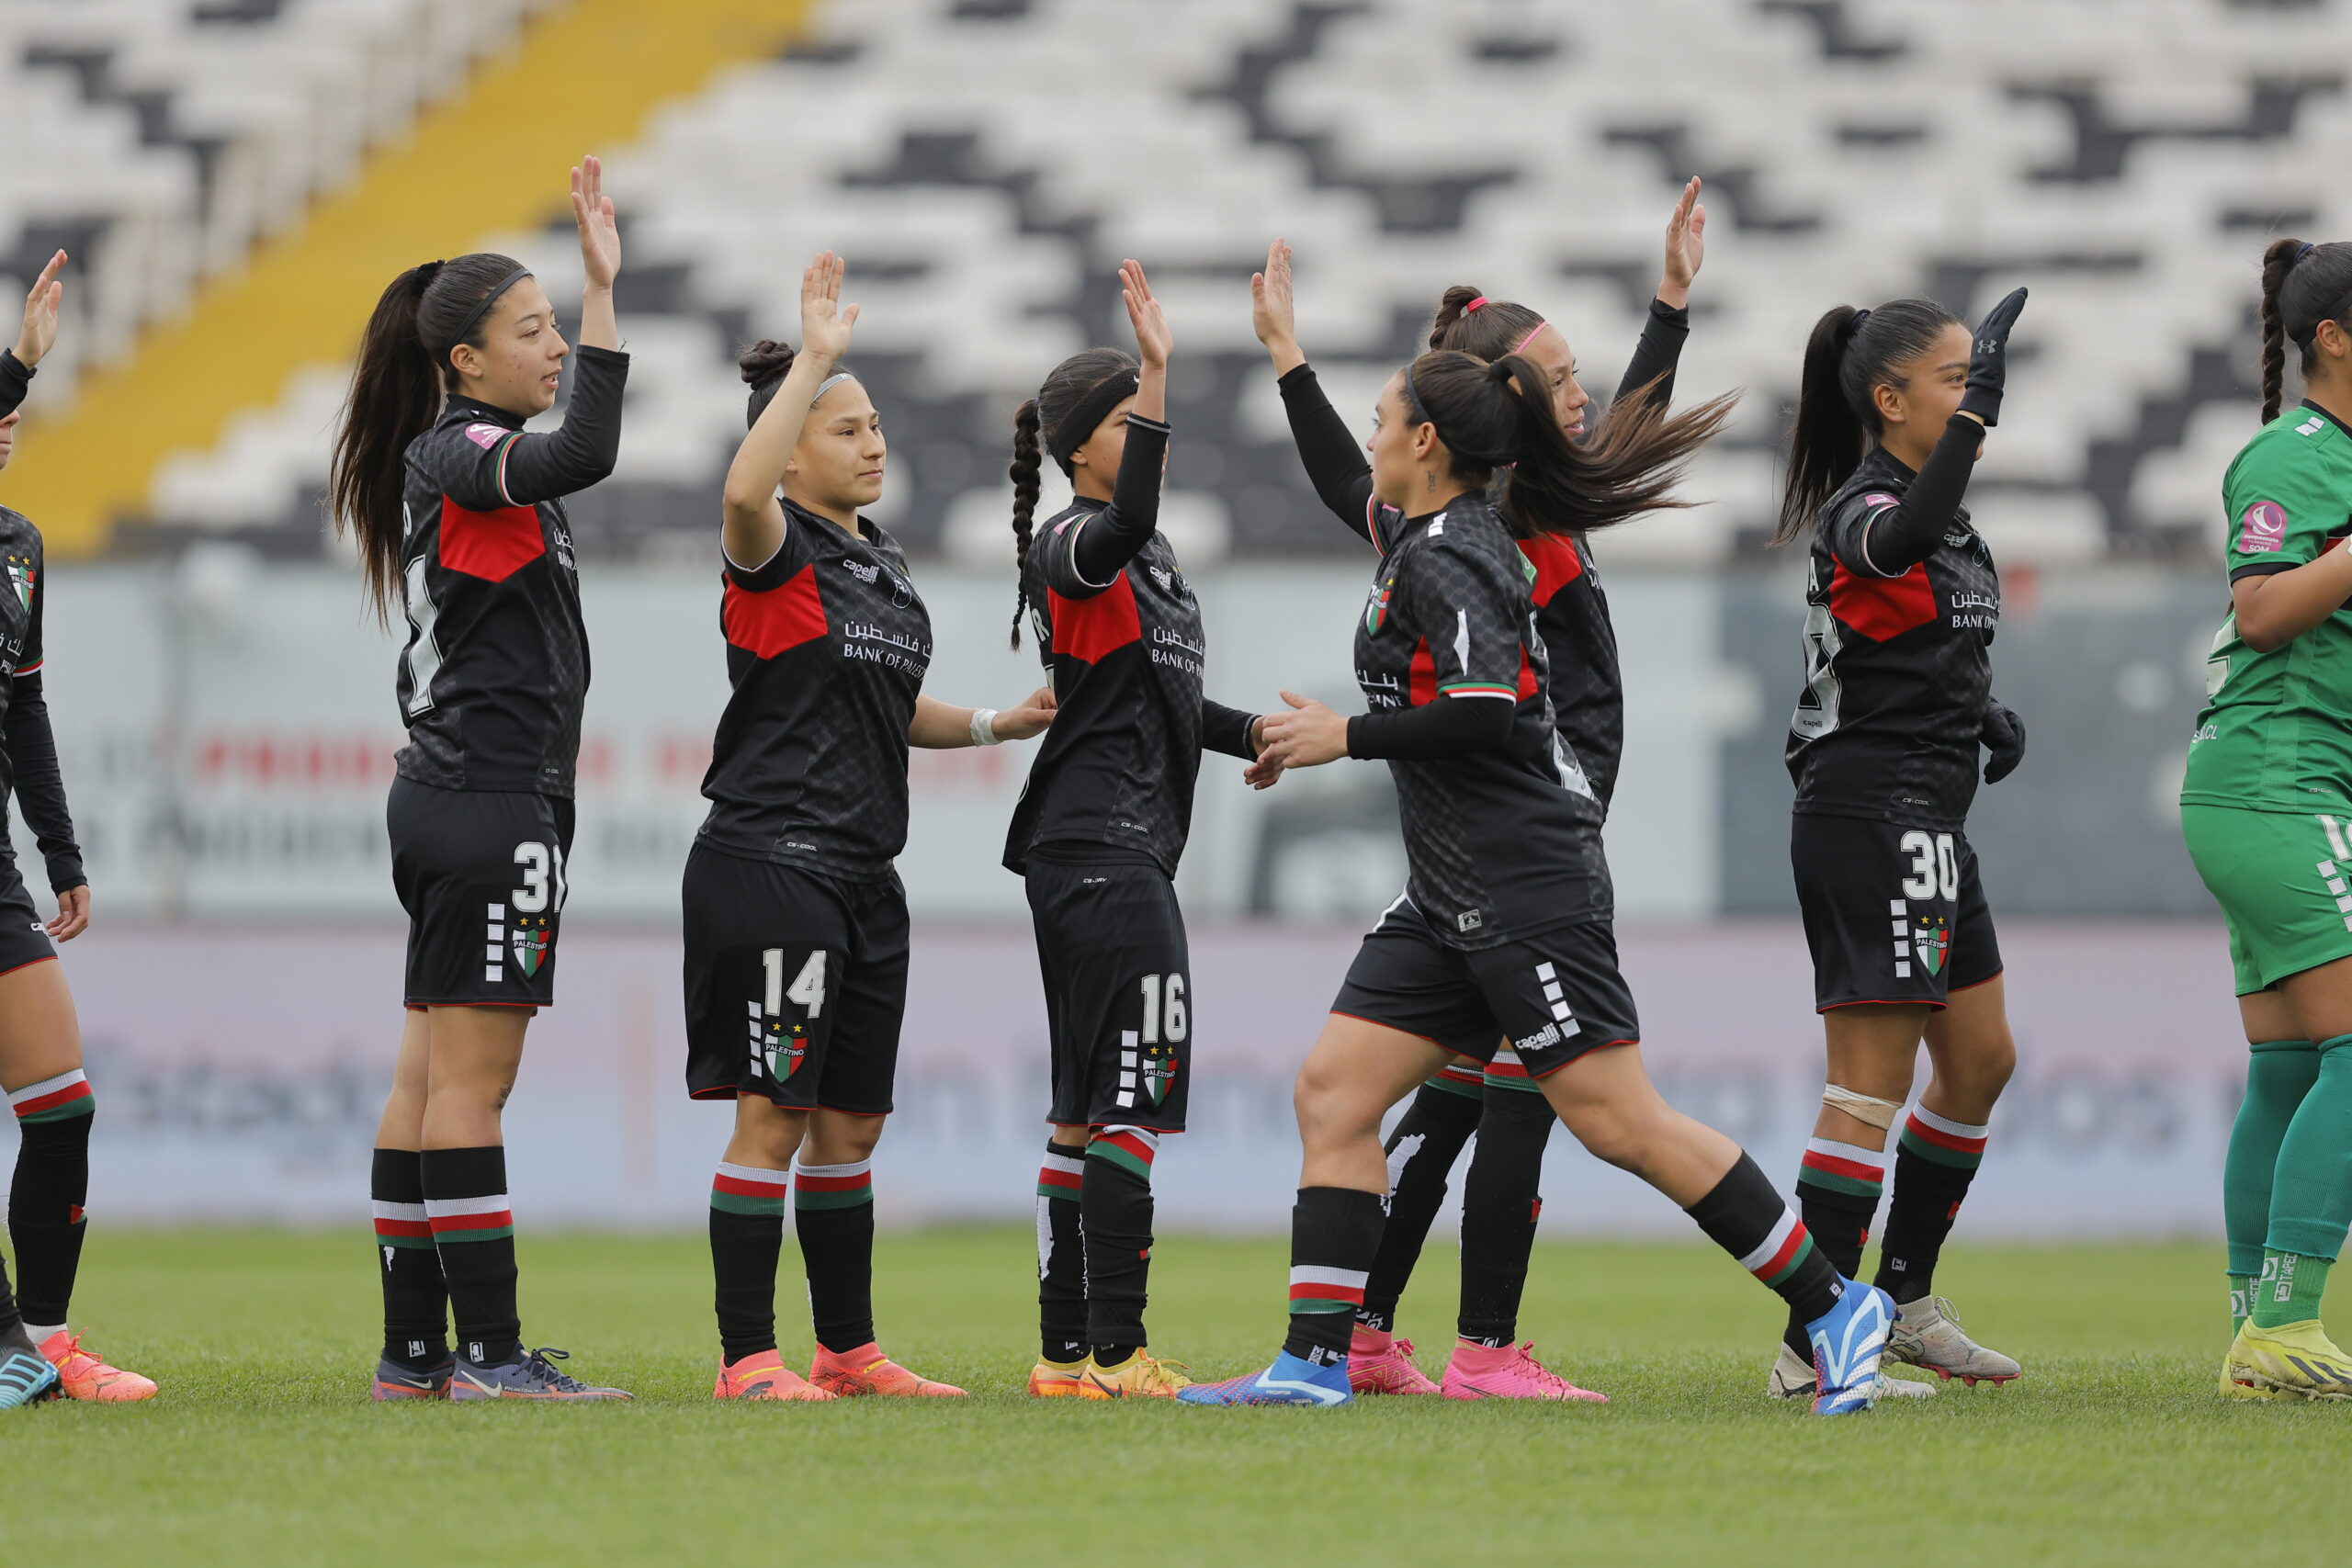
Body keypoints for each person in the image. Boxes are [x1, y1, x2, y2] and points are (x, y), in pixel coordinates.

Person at [1178, 337, 1898, 1416]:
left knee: (1621, 1124)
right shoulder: (1424, 534)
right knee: (1332, 1093)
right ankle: (1314, 1362)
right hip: (1449, 889)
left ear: (1424, 442)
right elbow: (1433, 670)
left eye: (1380, 418)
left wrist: (1346, 738)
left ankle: (1838, 1305)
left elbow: (1484, 709)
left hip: (1523, 884)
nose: (1370, 436)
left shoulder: (1455, 548)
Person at [1264, 181, 1707, 1402]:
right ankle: (1485, 1346)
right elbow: (1349, 481)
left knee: (1458, 1094)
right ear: (1503, 398)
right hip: (1526, 830)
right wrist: (1294, 365)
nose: (1579, 389)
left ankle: (1361, 1329)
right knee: (1517, 1087)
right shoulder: (1495, 516)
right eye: (1558, 372)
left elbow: (1613, 430)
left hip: (1525, 824)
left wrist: (1671, 303)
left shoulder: (1500, 502)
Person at [687, 254, 1051, 1401]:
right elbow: (741, 496)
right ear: (792, 448)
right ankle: (748, 1360)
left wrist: (1003, 720)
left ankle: (846, 1352)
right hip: (771, 863)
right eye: (845, 428)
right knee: (774, 1116)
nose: (872, 442)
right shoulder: (773, 545)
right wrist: (813, 366)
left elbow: (894, 713)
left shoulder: (881, 566)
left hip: (862, 876)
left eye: (875, 424)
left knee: (849, 1129)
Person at [329, 158, 632, 1402]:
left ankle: (416, 1354)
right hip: (488, 797)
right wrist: (611, 291)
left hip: (462, 795)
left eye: (560, 323)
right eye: (534, 328)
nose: (555, 344)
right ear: (463, 358)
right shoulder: (460, 451)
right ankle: (496, 1357)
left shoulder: (464, 451)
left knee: (424, 1078)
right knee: (473, 1085)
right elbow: (593, 451)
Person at [1006, 261, 1270, 1401]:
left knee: (1080, 1112)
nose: (1145, 431)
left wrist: (1259, 729)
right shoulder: (1073, 542)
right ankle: (1120, 1352)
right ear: (1079, 450)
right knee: (1128, 1098)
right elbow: (1133, 515)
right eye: (1124, 420)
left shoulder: (1149, 562)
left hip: (1107, 851)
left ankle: (1065, 1357)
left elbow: (1160, 696)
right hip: (1101, 851)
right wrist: (1159, 368)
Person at [1768, 288, 2031, 1400]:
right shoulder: (1868, 506)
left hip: (1929, 814)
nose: (1973, 395)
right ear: (1889, 399)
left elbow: (1898, 649)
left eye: (1976, 377)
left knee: (1978, 1061)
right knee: (1866, 1090)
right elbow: (1898, 546)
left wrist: (1980, 714)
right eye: (1954, 379)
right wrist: (1975, 424)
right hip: (1868, 818)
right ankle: (1807, 1350)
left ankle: (1906, 1299)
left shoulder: (1945, 518)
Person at [2183, 236, 2352, 1402]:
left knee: (2289, 1068)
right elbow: (2259, 610)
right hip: (2275, 784)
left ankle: (2260, 1330)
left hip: (2269, 786)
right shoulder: (2293, 454)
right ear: (2333, 338)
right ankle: (2286, 1320)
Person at [0, 252, 153, 1408]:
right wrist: (15, 370)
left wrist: (63, 855)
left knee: (62, 1102)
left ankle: (41, 1344)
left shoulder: (18, 546)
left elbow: (25, 705)